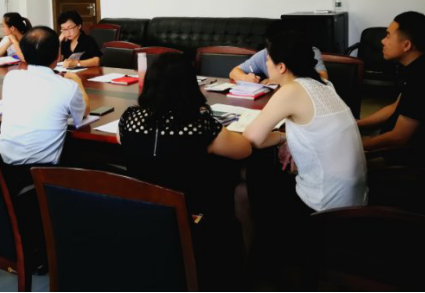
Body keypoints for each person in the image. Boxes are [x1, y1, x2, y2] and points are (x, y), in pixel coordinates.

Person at [117, 52, 251, 290]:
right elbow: (243, 150)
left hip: (141, 210)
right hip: (192, 214)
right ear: (190, 85)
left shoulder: (129, 118)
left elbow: (121, 140)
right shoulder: (199, 125)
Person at [243, 31, 367, 214]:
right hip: (355, 199)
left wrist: (281, 138)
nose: (266, 64)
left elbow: (252, 138)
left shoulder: (291, 91)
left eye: (267, 59)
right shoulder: (324, 84)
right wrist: (287, 139)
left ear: (281, 67)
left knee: (249, 181)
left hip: (325, 208)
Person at [357, 12, 425, 169]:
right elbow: (395, 107)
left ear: (406, 45)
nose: (382, 41)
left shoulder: (423, 79)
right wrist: (358, 124)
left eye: (388, 36)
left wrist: (357, 146)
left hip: (418, 162)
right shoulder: (417, 67)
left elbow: (399, 138)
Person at [0, 26, 89, 177]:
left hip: (4, 168)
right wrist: (77, 82)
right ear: (58, 55)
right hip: (42, 174)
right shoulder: (68, 87)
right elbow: (84, 112)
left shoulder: (11, 78)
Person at [230, 21, 328, 83]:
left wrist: (278, 80)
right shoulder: (265, 53)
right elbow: (234, 72)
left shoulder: (306, 51)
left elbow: (324, 78)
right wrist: (245, 78)